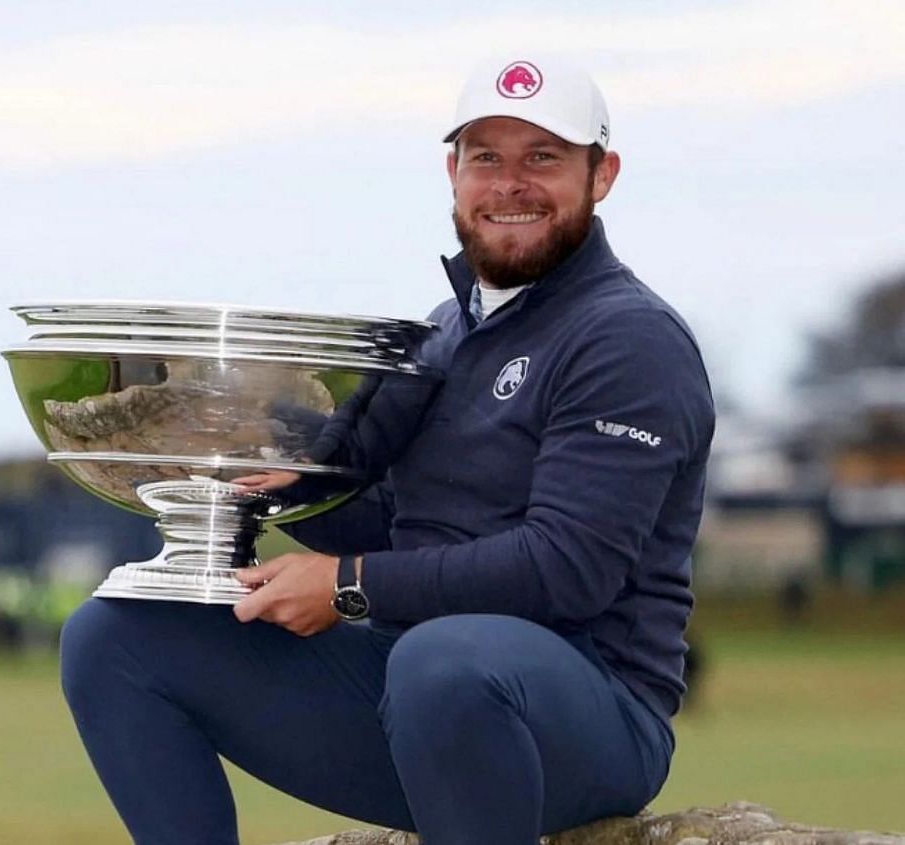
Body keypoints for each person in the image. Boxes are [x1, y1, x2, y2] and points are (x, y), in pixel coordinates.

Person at [59, 56, 715, 845]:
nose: (510, 184)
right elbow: (400, 527)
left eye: (542, 157)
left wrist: (345, 587)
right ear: (453, 173)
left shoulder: (626, 339)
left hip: (588, 715)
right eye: (486, 158)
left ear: (600, 174)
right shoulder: (443, 329)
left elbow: (565, 570)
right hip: (411, 694)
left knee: (443, 661)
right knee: (115, 633)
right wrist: (262, 485)